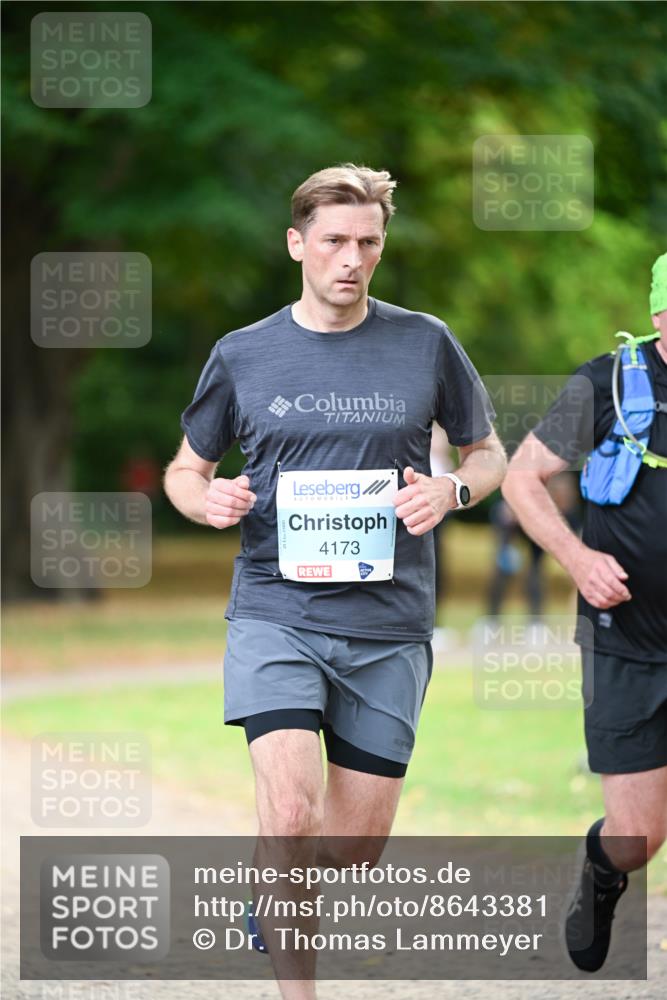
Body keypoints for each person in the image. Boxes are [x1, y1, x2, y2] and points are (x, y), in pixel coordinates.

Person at [164, 163, 506, 998]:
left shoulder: (424, 340)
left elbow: (487, 454)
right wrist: (205, 499)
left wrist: (451, 489)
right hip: (275, 610)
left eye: (368, 243)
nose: (351, 260)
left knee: (353, 849)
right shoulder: (242, 354)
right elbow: (184, 469)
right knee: (288, 813)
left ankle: (273, 885)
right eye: (333, 242)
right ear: (296, 245)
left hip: (388, 624)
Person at [502, 251, 667, 973]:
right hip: (623, 642)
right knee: (637, 837)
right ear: (661, 315)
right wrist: (578, 560)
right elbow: (520, 478)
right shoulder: (602, 383)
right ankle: (601, 876)